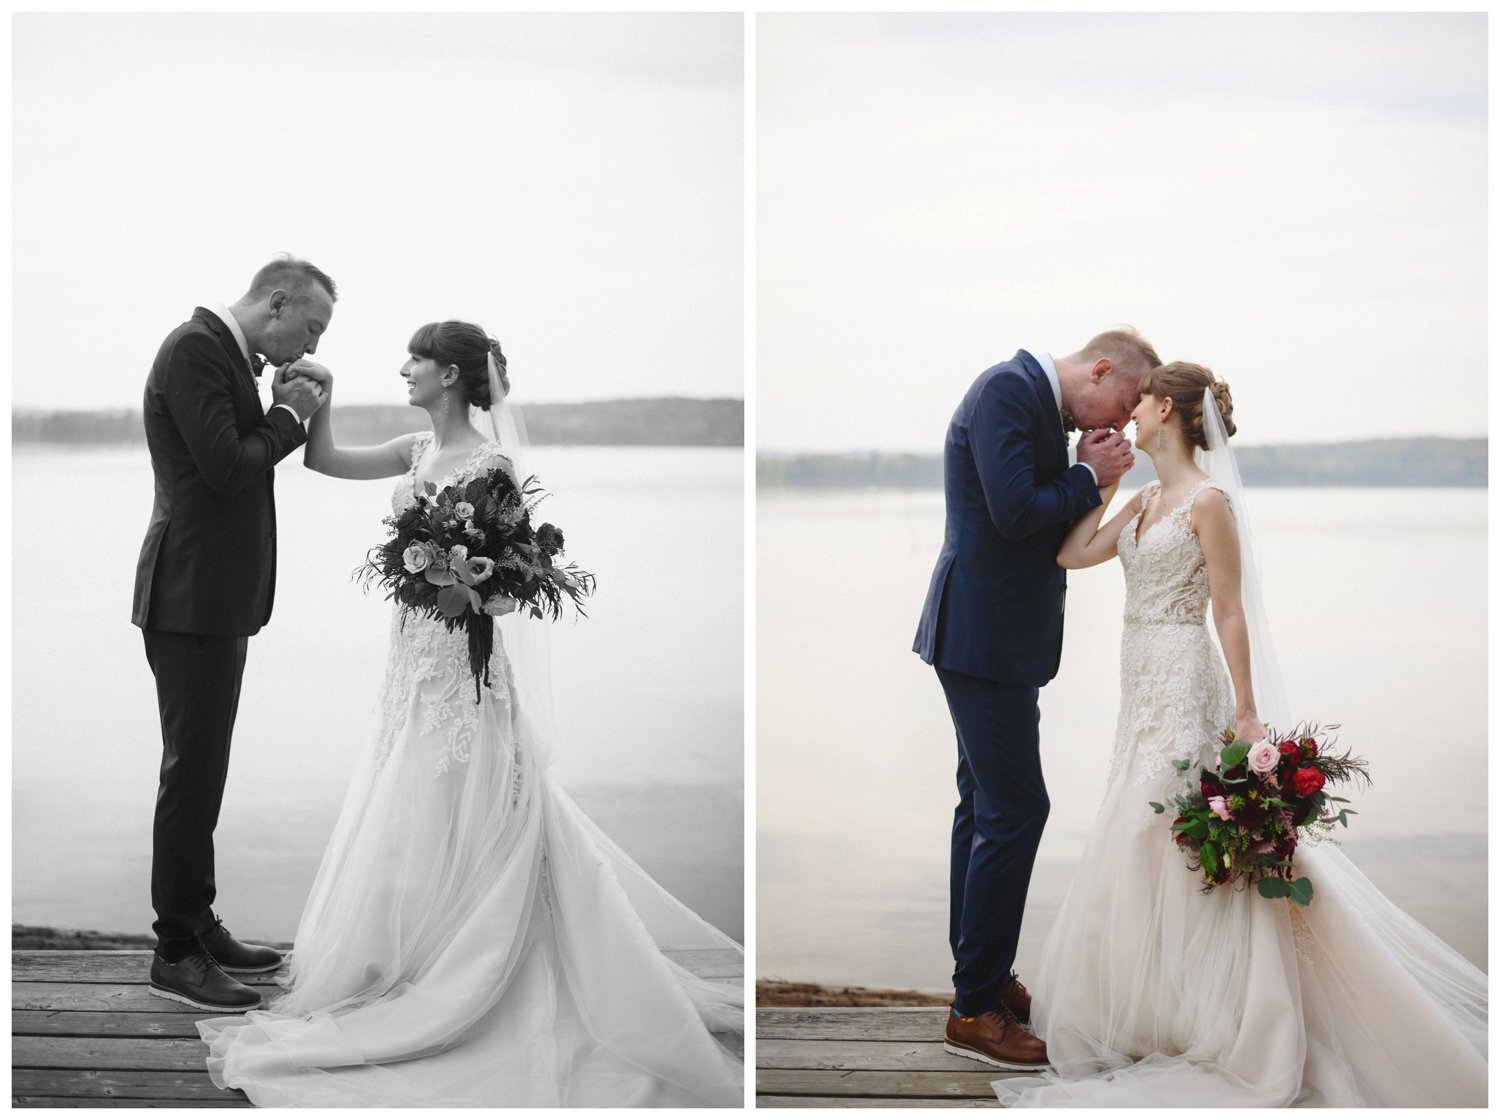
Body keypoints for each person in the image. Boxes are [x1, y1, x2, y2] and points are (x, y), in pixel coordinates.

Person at [195, 320, 744, 1107]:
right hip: (410, 660)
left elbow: (519, 581)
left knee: (469, 794)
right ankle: (414, 955)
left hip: (465, 667)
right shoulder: (413, 452)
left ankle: (477, 964)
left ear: (451, 374)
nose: (405, 371)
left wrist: (471, 587)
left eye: (416, 361)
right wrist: (326, 399)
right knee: (411, 799)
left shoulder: (494, 467)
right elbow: (320, 460)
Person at [995, 361, 1488, 1106]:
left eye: (1142, 403)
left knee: (1156, 834)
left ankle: (1227, 1015)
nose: (1130, 413)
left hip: (1187, 680)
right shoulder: (1144, 499)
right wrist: (1098, 483)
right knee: (1139, 840)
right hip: (1139, 688)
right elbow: (1072, 554)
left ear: (1167, 408)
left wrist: (1249, 710)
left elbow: (1229, 611)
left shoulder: (1207, 502)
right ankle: (1157, 1012)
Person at [912, 329, 1159, 1069]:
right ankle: (974, 1011)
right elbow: (1015, 511)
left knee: (983, 805)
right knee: (1019, 808)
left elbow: (1048, 527)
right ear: (1103, 368)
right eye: (1120, 404)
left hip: (999, 641)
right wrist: (1088, 474)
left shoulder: (1039, 407)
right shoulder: (1006, 392)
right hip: (979, 637)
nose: (1116, 423)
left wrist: (1096, 478)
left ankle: (979, 980)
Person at [134, 256, 335, 1013]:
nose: (307, 345)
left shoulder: (226, 360)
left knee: (204, 771)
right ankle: (176, 953)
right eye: (309, 327)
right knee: (190, 774)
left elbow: (236, 459)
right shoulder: (194, 349)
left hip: (212, 599)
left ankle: (197, 922)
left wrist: (274, 406)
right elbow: (226, 469)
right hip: (187, 598)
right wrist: (291, 418)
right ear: (276, 302)